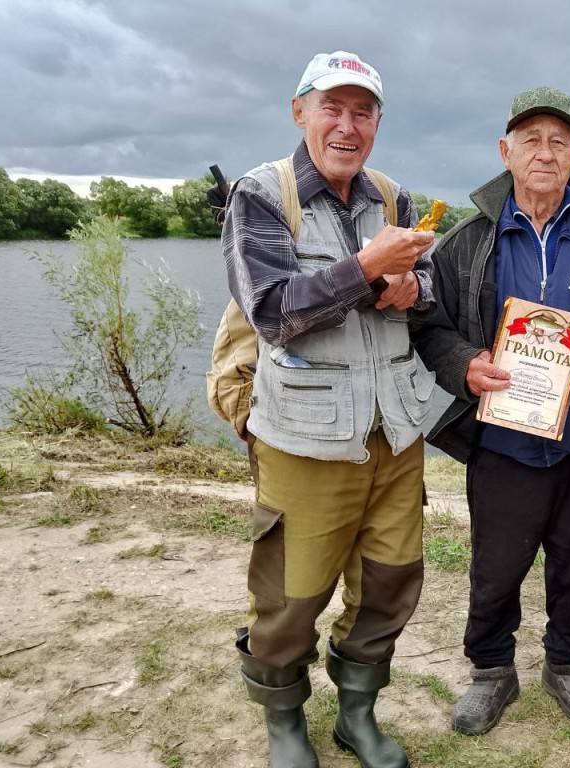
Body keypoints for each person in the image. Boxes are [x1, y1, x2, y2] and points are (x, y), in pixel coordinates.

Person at [414, 87, 570, 735]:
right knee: (495, 571)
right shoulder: (466, 244)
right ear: (506, 151)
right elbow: (429, 328)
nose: (545, 153)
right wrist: (464, 363)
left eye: (559, 141)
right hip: (501, 444)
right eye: (531, 140)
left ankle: (568, 668)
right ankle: (492, 673)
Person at [222, 51, 436, 768]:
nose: (348, 126)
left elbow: (424, 291)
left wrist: (411, 290)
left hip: (395, 434)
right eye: (332, 108)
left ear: (377, 121)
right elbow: (274, 312)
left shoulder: (391, 194)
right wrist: (368, 269)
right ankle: (285, 723)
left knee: (391, 582)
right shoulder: (261, 195)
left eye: (363, 111)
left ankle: (356, 716)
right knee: (290, 597)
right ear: (299, 111)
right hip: (303, 439)